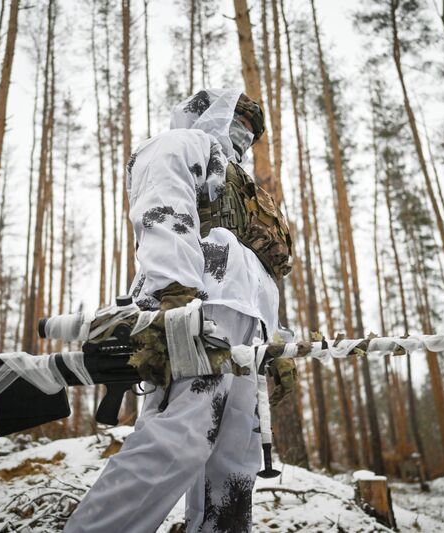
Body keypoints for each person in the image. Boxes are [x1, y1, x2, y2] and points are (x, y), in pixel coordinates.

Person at [64, 88, 293, 533]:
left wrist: (274, 336)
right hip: (198, 308)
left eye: (251, 133)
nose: (244, 138)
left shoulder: (242, 186)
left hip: (249, 326)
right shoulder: (185, 145)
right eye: (237, 125)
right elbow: (162, 208)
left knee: (235, 461)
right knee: (181, 436)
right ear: (211, 116)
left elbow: (257, 270)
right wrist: (177, 294)